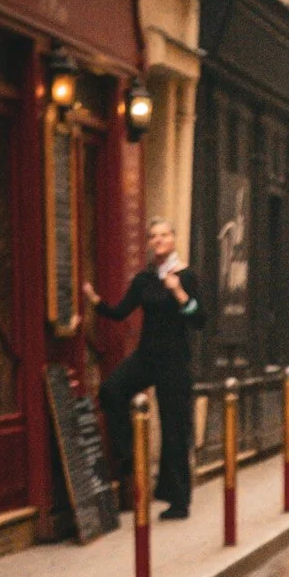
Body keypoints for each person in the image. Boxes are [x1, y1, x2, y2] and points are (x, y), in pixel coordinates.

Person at [85, 220, 204, 520]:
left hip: (175, 362)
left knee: (174, 430)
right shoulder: (144, 280)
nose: (159, 240)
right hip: (147, 356)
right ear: (150, 243)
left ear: (174, 239)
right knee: (111, 391)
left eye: (164, 234)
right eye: (153, 236)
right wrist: (94, 300)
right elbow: (121, 311)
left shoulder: (186, 276)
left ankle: (178, 501)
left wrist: (179, 294)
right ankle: (127, 455)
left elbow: (200, 319)